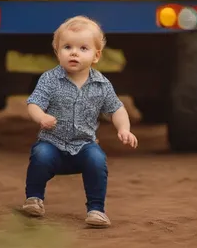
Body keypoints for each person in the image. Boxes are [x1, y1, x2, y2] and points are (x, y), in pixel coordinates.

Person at [21, 15, 138, 228]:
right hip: (52, 143)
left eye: (83, 48)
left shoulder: (101, 85)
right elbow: (34, 103)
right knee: (40, 155)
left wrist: (125, 129)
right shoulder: (49, 79)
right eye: (67, 47)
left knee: (97, 159)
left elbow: (116, 109)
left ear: (96, 55)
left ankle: (96, 210)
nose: (74, 52)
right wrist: (41, 116)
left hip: (84, 146)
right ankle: (34, 198)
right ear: (57, 51)